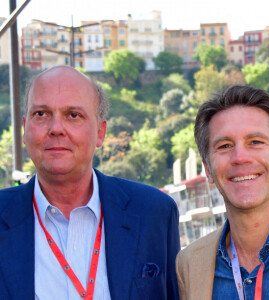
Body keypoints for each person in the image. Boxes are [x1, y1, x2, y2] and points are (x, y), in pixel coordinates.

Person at [0, 66, 180, 300]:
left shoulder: (154, 213)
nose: (56, 129)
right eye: (41, 114)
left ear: (100, 132)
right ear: (25, 129)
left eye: (73, 115)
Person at [176, 85, 269, 299]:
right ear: (208, 169)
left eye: (256, 142)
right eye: (224, 146)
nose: (240, 157)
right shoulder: (189, 266)